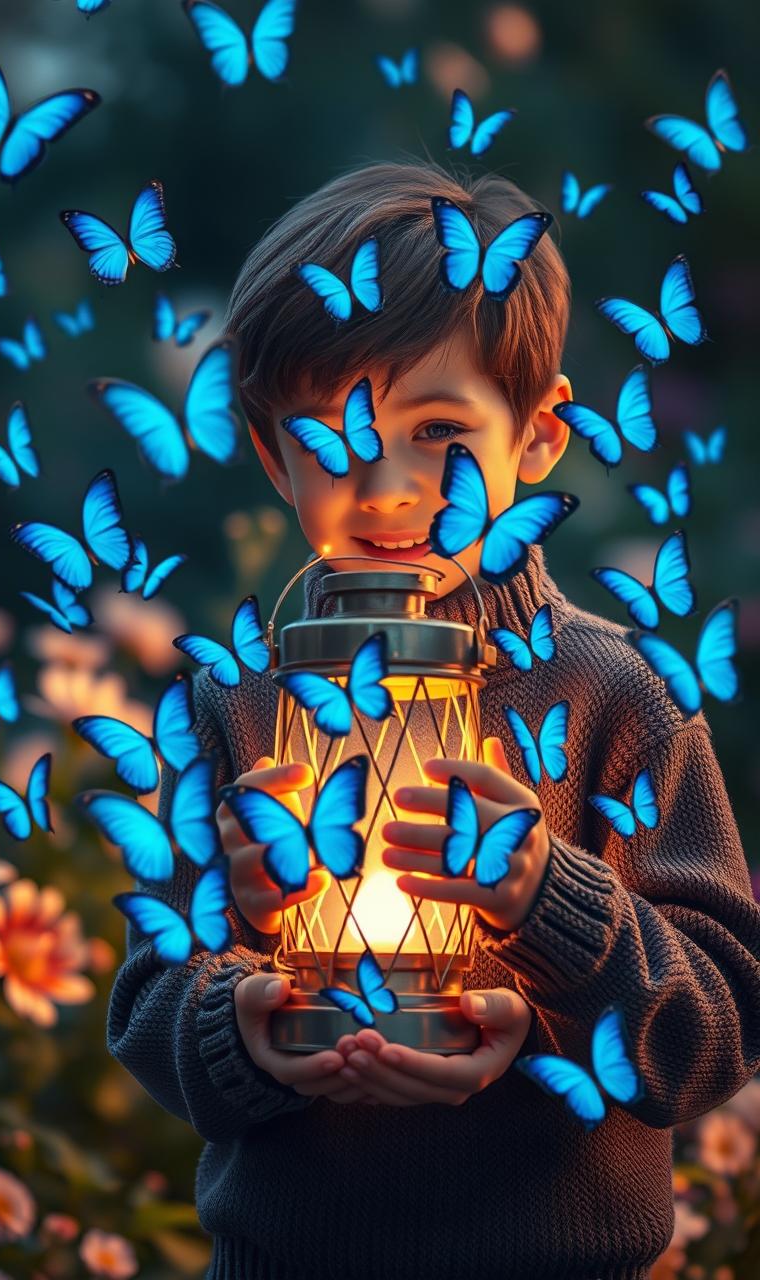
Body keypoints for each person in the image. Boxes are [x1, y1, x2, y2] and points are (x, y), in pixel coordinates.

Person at [107, 161, 760, 1280]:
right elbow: (151, 1004)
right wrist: (250, 1017)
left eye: (438, 430)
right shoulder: (236, 701)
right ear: (272, 456)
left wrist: (548, 905)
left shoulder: (620, 697)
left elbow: (722, 1022)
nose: (389, 487)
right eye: (328, 438)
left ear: (539, 439)